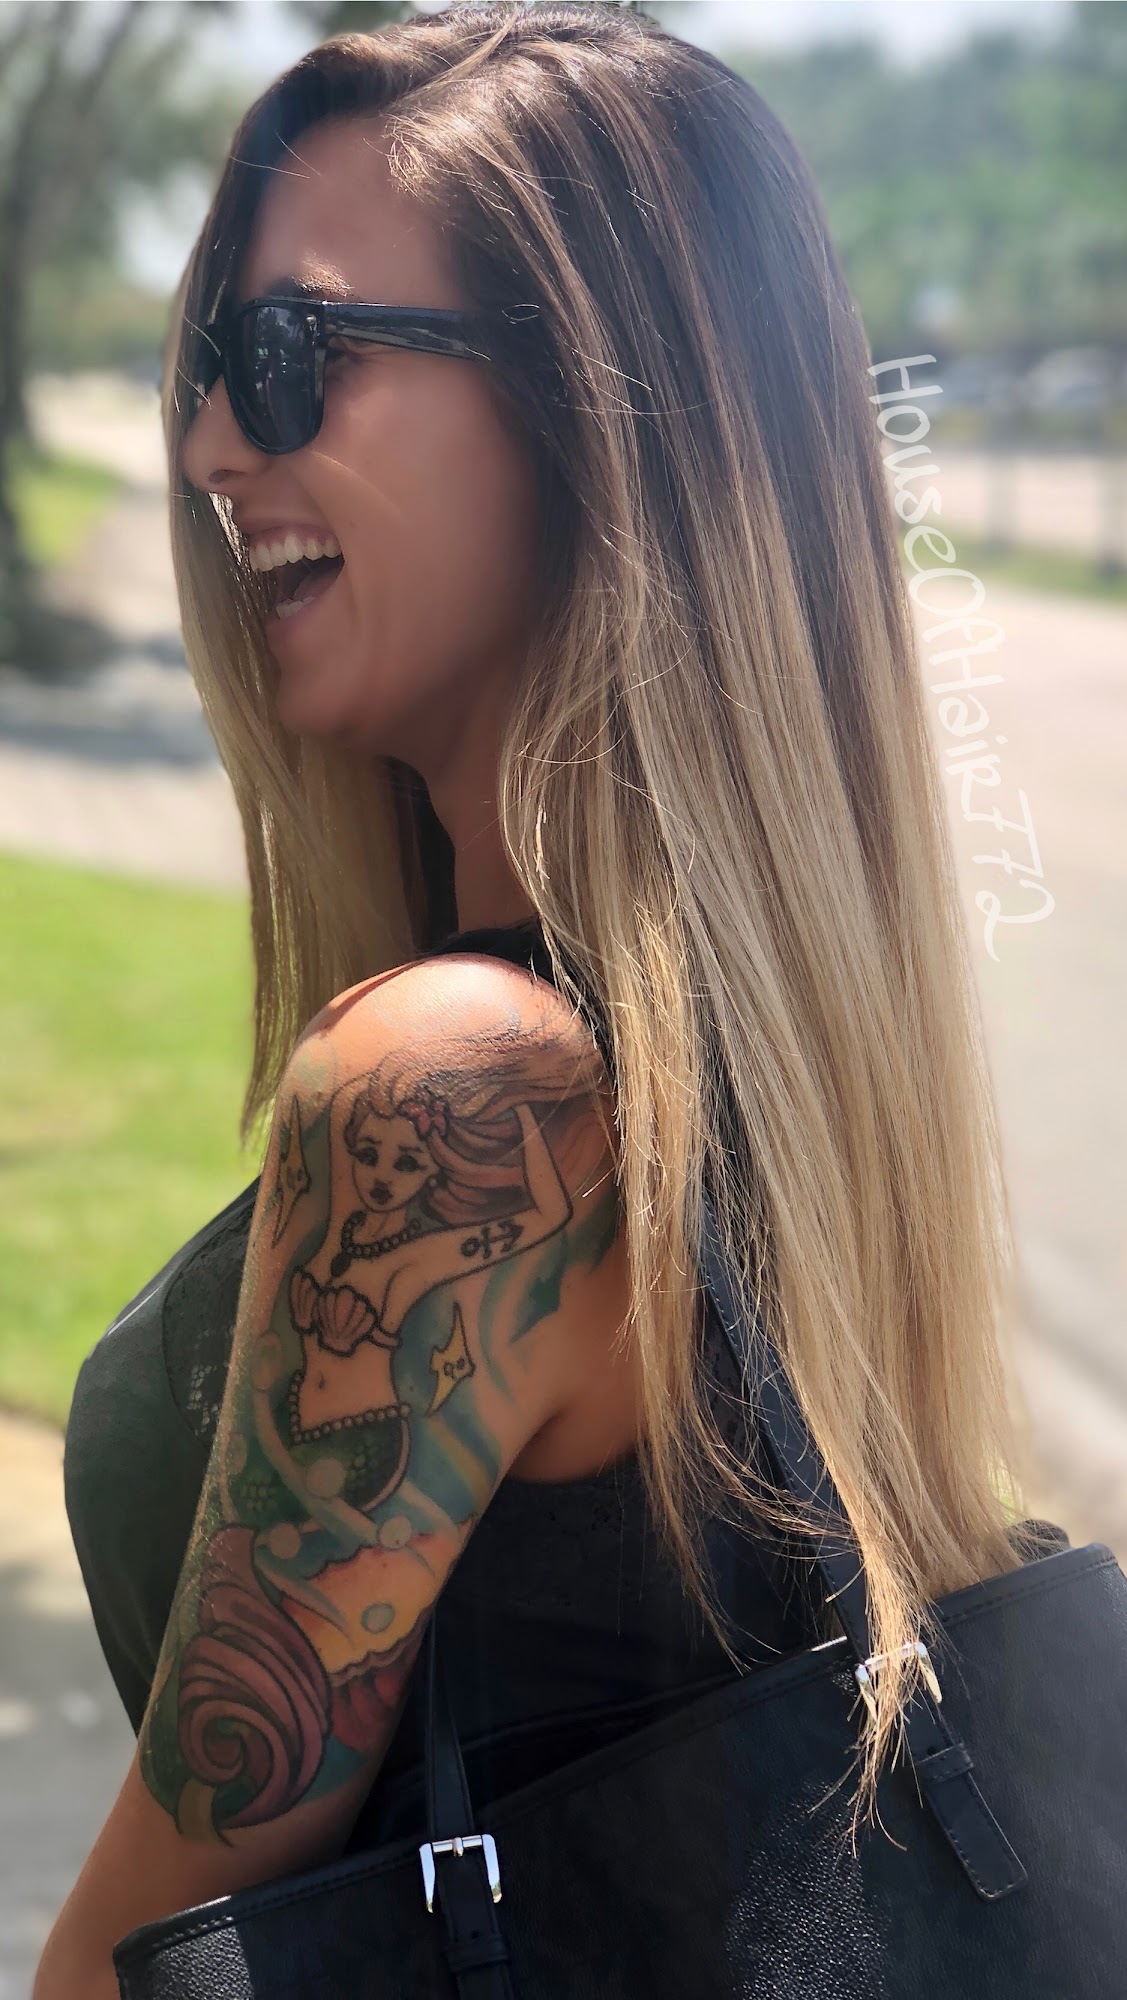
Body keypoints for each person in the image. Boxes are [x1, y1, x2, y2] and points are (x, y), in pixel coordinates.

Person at [35, 6, 1037, 1993]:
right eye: (207, 365)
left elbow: (145, 1948)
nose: (215, 445)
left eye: (287, 354)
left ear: (588, 410)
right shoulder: (790, 1078)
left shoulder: (456, 1094)